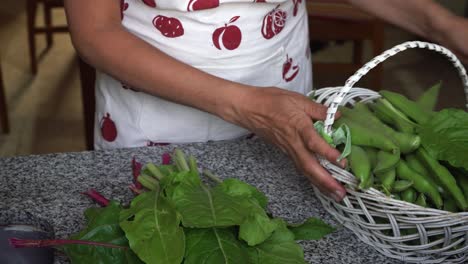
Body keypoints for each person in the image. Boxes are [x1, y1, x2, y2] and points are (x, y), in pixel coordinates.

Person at [64, 0, 468, 202]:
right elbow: (95, 32)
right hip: (157, 124)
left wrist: (443, 26)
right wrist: (248, 107)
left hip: (285, 100)